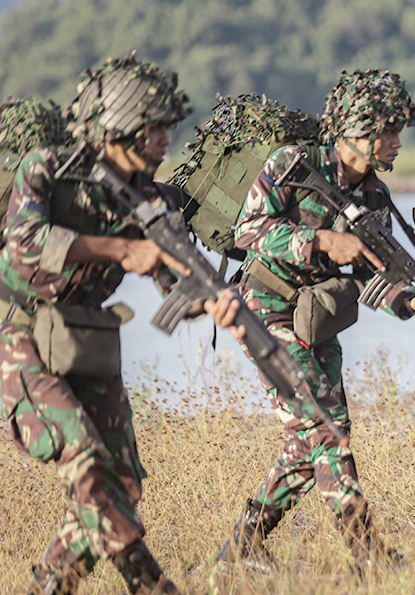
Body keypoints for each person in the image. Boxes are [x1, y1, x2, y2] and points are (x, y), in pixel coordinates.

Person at [0, 51, 245, 595]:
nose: (164, 141)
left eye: (166, 129)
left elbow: (174, 288)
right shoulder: (47, 168)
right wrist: (122, 249)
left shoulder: (152, 201)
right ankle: (152, 585)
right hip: (22, 337)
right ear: (119, 126)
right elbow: (23, 249)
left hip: (87, 341)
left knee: (123, 483)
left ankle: (51, 585)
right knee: (86, 462)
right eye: (154, 128)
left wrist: (215, 303)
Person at [214, 69, 415, 574]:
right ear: (356, 131)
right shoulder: (293, 164)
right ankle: (369, 556)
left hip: (317, 319)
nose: (396, 142)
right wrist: (321, 240)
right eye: (387, 132)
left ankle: (242, 548)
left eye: (398, 132)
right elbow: (249, 230)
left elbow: (374, 278)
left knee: (308, 444)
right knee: (327, 429)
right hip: (265, 310)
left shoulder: (374, 197)